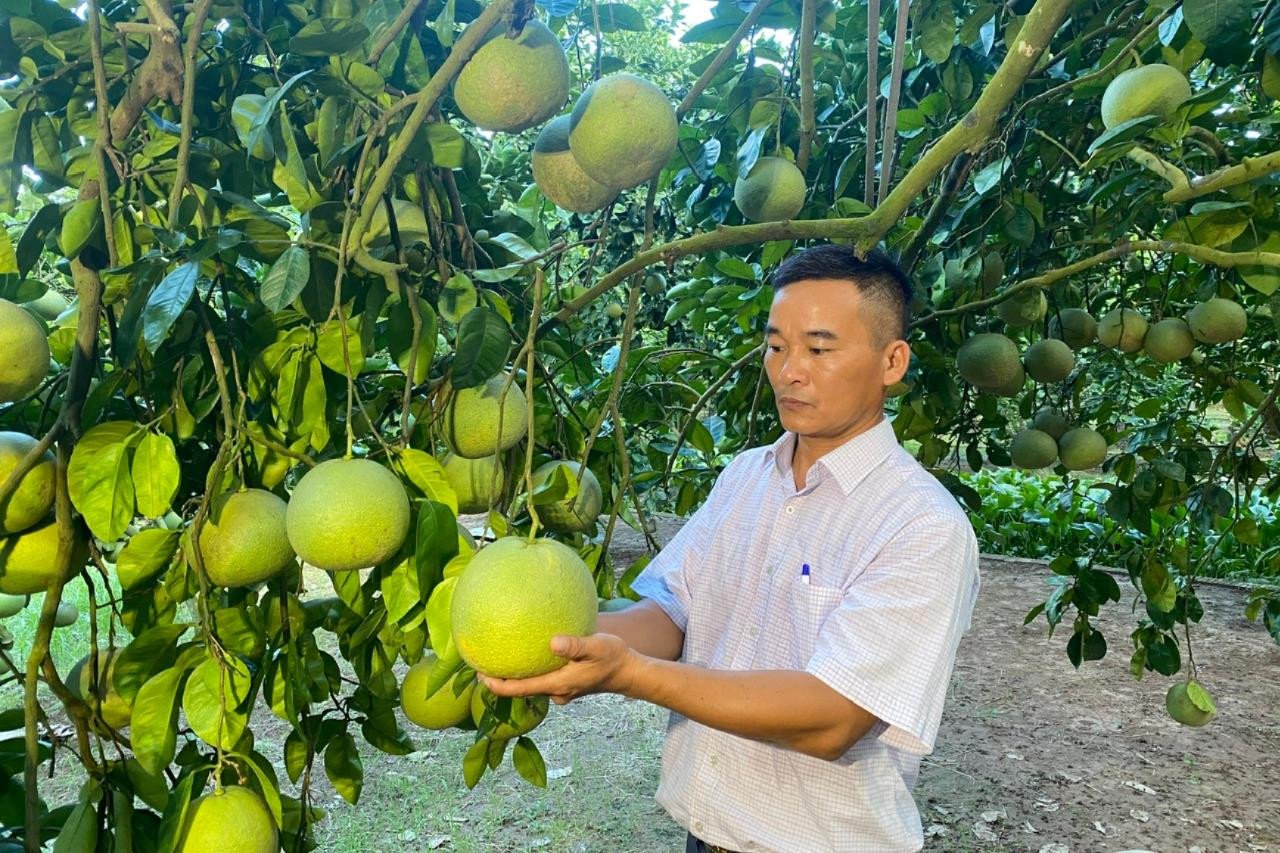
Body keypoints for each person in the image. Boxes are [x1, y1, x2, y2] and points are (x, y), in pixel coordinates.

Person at [481, 244, 981, 852]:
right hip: (706, 835)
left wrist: (630, 676)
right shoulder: (747, 475)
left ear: (892, 361)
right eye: (776, 346)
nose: (788, 370)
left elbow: (833, 718)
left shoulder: (919, 523)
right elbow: (673, 614)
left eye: (819, 349)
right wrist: (560, 640)